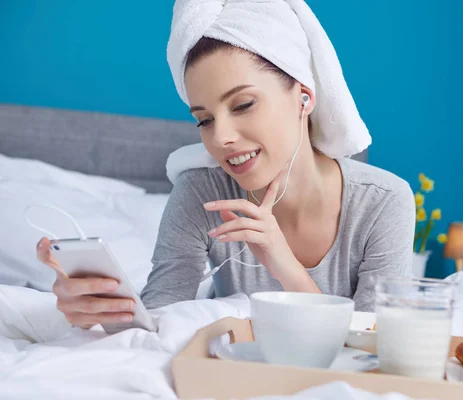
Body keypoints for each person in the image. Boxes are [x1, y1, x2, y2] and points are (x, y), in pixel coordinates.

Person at [36, 0, 415, 329]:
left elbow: (372, 349)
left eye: (243, 104)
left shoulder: (383, 203)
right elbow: (160, 318)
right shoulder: (203, 193)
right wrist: (98, 311)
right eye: (204, 119)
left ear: (303, 97)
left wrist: (283, 264)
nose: (220, 138)